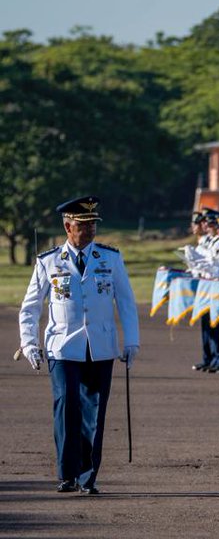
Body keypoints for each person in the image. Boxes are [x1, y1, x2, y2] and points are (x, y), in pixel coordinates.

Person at [18, 195, 140, 494]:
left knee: (94, 412)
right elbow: (31, 306)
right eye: (83, 225)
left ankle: (87, 476)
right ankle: (67, 473)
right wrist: (29, 342)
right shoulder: (48, 261)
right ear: (67, 226)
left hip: (99, 345)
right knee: (66, 407)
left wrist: (131, 342)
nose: (89, 231)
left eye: (92, 225)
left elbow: (125, 302)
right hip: (62, 346)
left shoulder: (110, 258)